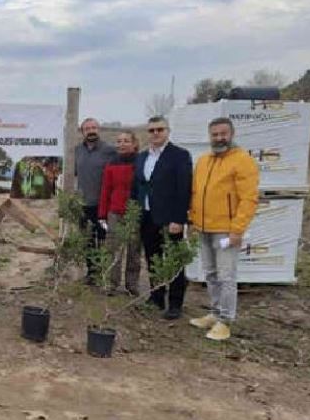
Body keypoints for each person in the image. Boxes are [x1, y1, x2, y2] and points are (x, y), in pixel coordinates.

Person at [188, 117, 259, 341]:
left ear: (231, 134)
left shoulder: (242, 161)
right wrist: (193, 220)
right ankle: (215, 312)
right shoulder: (203, 161)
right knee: (210, 273)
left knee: (226, 275)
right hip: (204, 227)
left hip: (226, 231)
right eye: (215, 134)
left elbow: (249, 198)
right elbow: (196, 193)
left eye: (223, 134)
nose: (219, 138)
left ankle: (226, 321)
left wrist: (237, 230)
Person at [131, 116, 193, 320]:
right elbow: (138, 186)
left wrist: (179, 219)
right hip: (147, 216)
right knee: (153, 258)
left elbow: (183, 189)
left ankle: (175, 303)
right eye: (152, 130)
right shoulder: (141, 157)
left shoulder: (179, 156)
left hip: (170, 218)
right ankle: (156, 297)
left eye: (160, 129)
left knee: (174, 261)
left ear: (168, 131)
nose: (156, 133)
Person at [98, 130, 141, 296]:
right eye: (119, 141)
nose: (122, 144)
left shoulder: (141, 162)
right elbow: (106, 190)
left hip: (134, 212)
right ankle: (111, 283)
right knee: (113, 248)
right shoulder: (112, 164)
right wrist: (102, 214)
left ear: (134, 144)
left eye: (126, 141)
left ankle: (132, 285)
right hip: (115, 212)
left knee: (134, 250)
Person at [74, 118, 117, 282]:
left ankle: (105, 274)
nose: (91, 131)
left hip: (102, 206)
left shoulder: (110, 151)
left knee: (104, 239)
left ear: (98, 129)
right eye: (87, 128)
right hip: (83, 205)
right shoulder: (77, 151)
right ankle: (92, 273)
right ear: (82, 131)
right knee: (87, 240)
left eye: (93, 127)